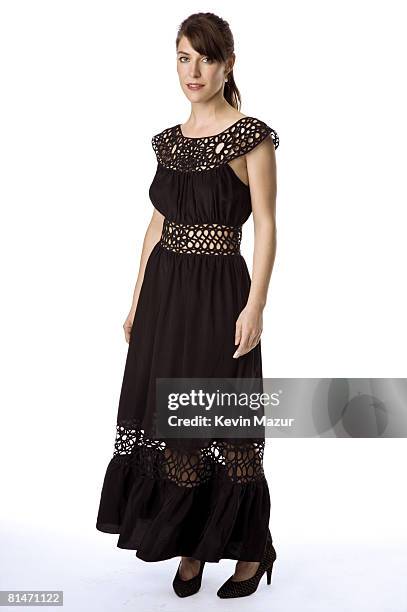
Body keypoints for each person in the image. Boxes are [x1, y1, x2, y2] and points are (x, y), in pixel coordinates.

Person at [96, 11, 279, 599]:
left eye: (203, 57)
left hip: (221, 291)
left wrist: (255, 306)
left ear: (227, 64)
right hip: (166, 295)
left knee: (219, 418)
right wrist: (135, 298)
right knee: (173, 417)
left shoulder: (252, 136)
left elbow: (269, 227)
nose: (192, 70)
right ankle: (189, 548)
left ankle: (250, 552)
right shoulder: (167, 142)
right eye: (182, 57)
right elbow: (157, 225)